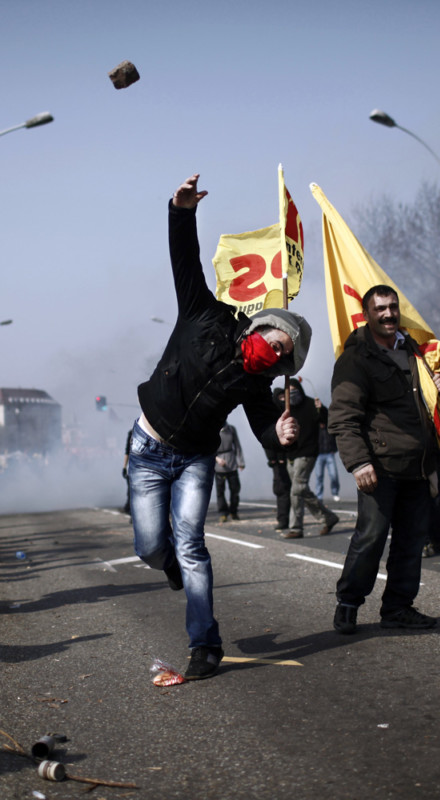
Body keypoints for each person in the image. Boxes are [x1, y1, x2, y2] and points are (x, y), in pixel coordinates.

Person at [128, 174, 311, 680]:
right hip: (148, 446)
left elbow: (266, 432)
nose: (273, 354)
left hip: (195, 459)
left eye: (282, 358)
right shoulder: (203, 314)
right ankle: (164, 563)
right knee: (150, 547)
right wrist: (180, 211)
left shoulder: (256, 386)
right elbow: (184, 260)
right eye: (276, 342)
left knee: (191, 544)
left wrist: (284, 436)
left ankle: (205, 645)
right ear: (262, 326)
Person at [328, 284, 440, 634]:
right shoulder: (355, 359)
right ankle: (348, 604)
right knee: (371, 538)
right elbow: (343, 417)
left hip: (419, 466)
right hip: (380, 467)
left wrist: (438, 389)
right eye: (380, 308)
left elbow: (426, 404)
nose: (388, 314)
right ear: (366, 314)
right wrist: (358, 462)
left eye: (393, 307)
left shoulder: (415, 353)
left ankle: (398, 607)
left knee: (411, 542)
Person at [280, 379, 339, 539]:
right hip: (290, 455)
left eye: (294, 390)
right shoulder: (286, 409)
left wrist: (322, 410)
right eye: (289, 391)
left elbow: (327, 422)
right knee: (300, 490)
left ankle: (296, 528)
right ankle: (328, 518)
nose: (292, 394)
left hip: (307, 453)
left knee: (296, 489)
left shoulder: (311, 404)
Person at [264, 387, 292, 532]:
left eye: (284, 397)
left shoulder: (291, 412)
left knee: (296, 490)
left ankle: (289, 520)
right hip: (278, 460)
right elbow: (268, 438)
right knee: (281, 490)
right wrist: (274, 459)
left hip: (291, 457)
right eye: (279, 398)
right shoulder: (272, 414)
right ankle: (283, 519)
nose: (282, 400)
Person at [215, 421, 245, 522]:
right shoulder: (212, 428)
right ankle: (223, 512)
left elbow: (237, 446)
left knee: (235, 489)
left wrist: (241, 462)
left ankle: (234, 511)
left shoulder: (231, 429)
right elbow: (208, 448)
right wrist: (217, 459)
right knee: (220, 491)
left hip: (231, 464)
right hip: (218, 465)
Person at [314, 418, 340, 502]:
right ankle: (319, 496)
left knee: (333, 475)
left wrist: (334, 450)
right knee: (319, 476)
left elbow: (336, 439)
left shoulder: (329, 429)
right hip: (319, 455)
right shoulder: (315, 429)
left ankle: (335, 492)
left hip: (329, 454)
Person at [122, 428, 133, 517]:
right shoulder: (132, 432)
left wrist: (124, 467)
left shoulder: (132, 432)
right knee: (131, 491)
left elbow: (127, 452)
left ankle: (130, 508)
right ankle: (130, 509)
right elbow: (127, 451)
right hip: (134, 468)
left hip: (136, 467)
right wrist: (124, 467)